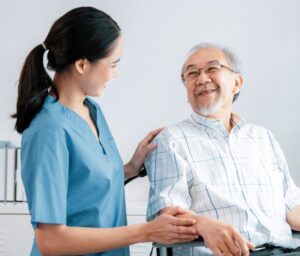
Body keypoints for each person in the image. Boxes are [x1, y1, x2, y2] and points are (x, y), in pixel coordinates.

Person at [12, 7, 199, 256]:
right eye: (113, 63)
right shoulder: (48, 130)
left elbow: (83, 191)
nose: (115, 72)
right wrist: (146, 232)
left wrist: (131, 168)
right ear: (82, 64)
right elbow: (51, 241)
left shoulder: (92, 110)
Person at [145, 42, 300, 256]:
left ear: (237, 82)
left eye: (212, 68)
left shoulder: (263, 137)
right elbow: (168, 214)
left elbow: (292, 207)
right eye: (192, 73)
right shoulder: (171, 140)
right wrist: (202, 224)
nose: (202, 79)